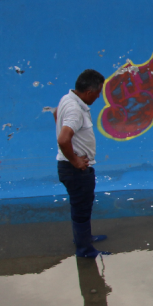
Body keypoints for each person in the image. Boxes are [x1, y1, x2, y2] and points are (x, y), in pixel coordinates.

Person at [55, 69, 109, 259]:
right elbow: (63, 139)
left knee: (81, 206)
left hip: (70, 168)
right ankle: (85, 250)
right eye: (98, 92)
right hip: (74, 170)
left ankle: (84, 238)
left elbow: (56, 114)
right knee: (82, 208)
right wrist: (75, 160)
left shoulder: (67, 99)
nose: (99, 96)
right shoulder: (75, 109)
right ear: (88, 92)